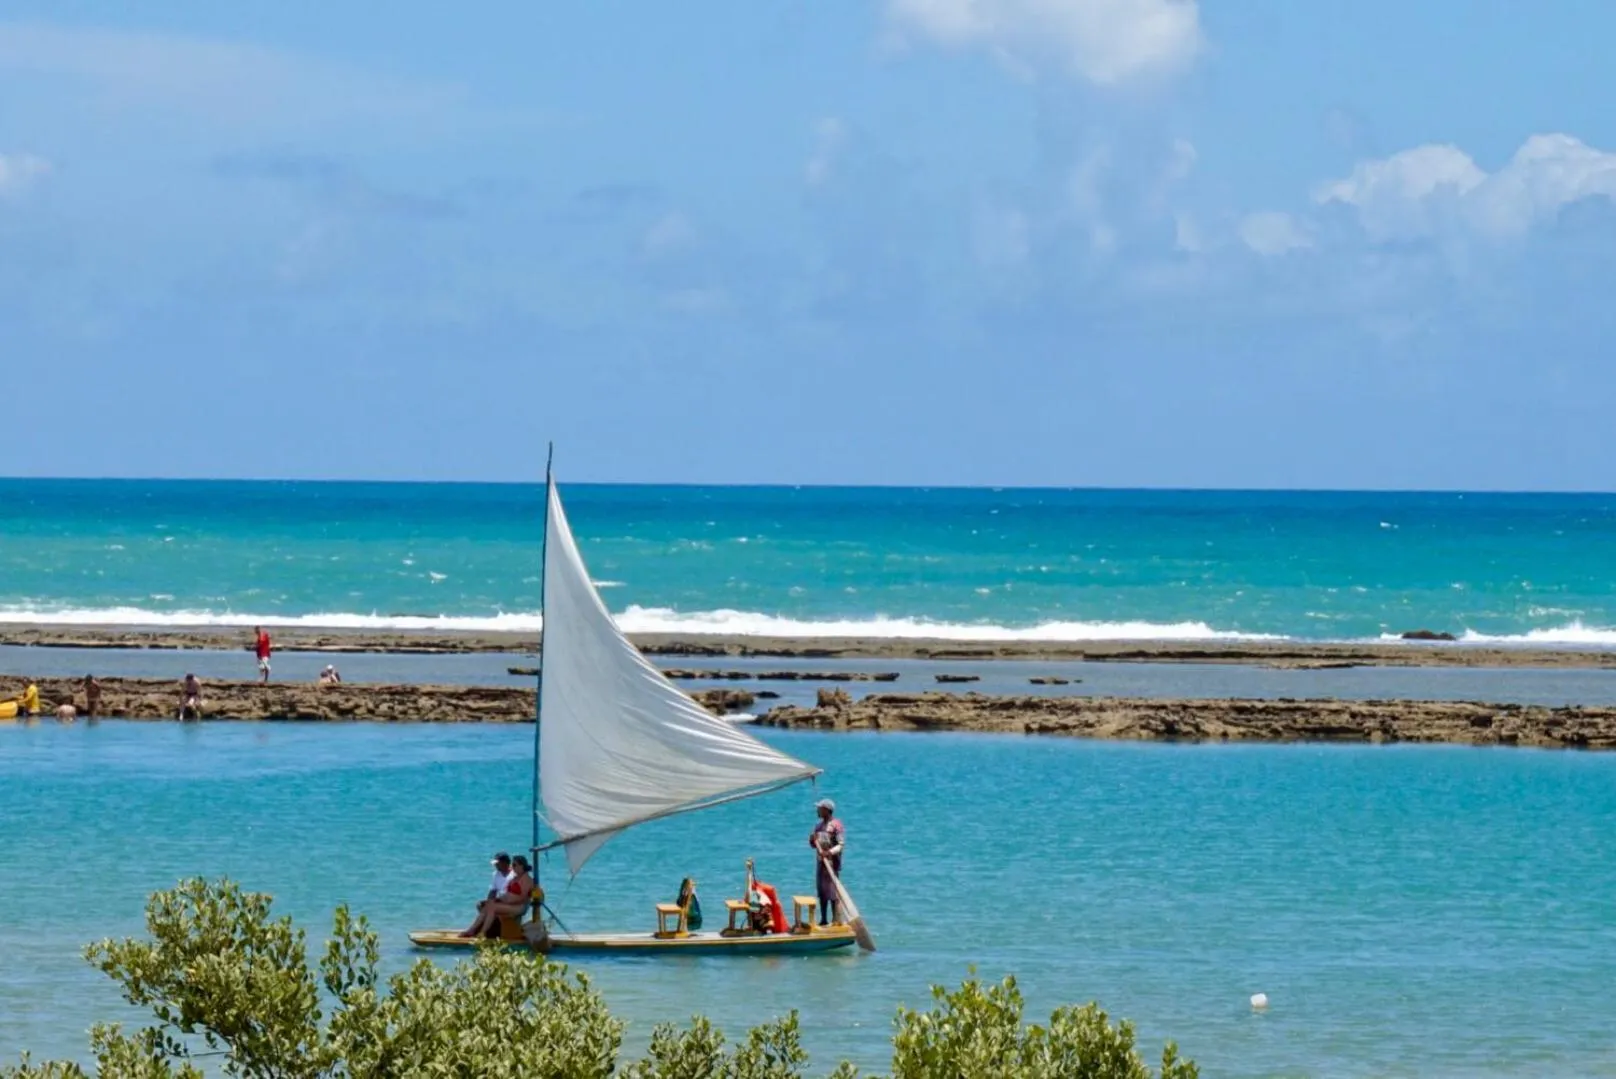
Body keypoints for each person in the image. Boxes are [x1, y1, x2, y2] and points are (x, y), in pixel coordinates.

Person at [462, 855, 535, 938]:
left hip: (519, 907)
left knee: (492, 907)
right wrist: (500, 899)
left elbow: (522, 898)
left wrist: (507, 901)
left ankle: (482, 932)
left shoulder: (527, 879)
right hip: (510, 904)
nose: (513, 867)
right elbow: (506, 893)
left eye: (514, 865)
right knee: (488, 905)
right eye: (512, 865)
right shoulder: (515, 878)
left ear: (521, 866)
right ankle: (472, 930)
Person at [808, 798, 846, 926]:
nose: (817, 810)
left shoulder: (836, 825)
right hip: (820, 863)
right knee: (822, 891)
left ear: (826, 810)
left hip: (832, 863)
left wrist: (829, 852)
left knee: (833, 892)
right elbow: (814, 845)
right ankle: (823, 919)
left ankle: (836, 919)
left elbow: (841, 844)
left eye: (819, 808)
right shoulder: (818, 826)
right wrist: (812, 840)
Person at [744, 860, 786, 935]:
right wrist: (749, 871)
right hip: (759, 923)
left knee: (766, 924)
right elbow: (749, 889)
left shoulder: (764, 905)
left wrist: (749, 871)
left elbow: (770, 922)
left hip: (763, 925)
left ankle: (760, 929)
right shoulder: (757, 901)